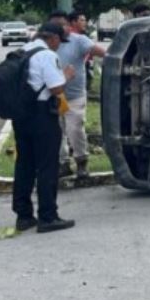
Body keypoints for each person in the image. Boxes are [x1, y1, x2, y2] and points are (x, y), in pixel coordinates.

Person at [12, 22, 76, 234]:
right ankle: (48, 217)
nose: (59, 46)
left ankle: (24, 216)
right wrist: (66, 75)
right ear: (54, 39)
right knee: (47, 166)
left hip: (21, 115)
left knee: (25, 164)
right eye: (60, 42)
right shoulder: (47, 55)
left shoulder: (22, 51)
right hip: (42, 115)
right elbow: (56, 87)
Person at [51, 11, 107, 179]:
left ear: (68, 24)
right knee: (56, 131)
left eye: (62, 24)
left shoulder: (79, 41)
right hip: (53, 96)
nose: (58, 28)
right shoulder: (47, 43)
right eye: (54, 25)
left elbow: (103, 53)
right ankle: (63, 163)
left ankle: (82, 162)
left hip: (74, 95)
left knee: (75, 129)